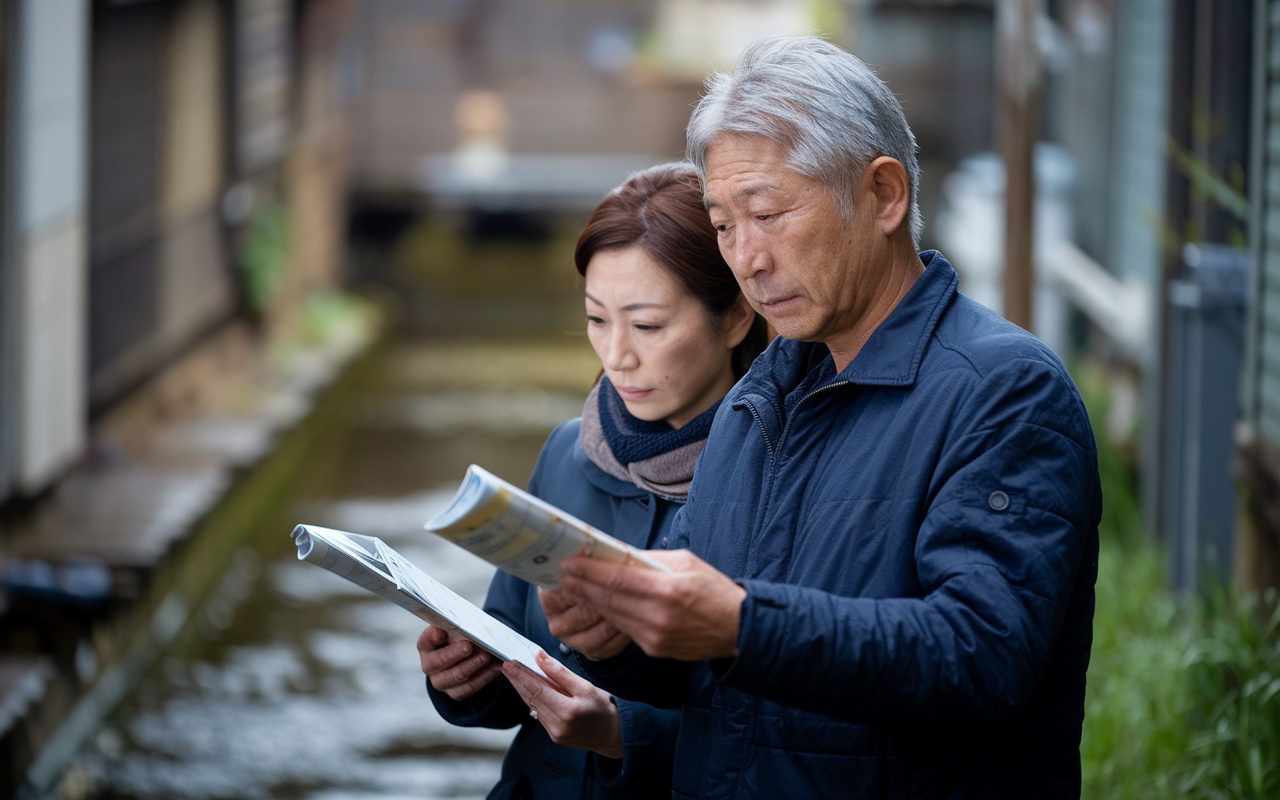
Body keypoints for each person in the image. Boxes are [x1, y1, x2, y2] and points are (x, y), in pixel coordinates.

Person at [541, 35, 1102, 800]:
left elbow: (981, 655)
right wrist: (618, 640)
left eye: (769, 213)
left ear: (884, 195)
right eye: (724, 224)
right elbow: (712, 678)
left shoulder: (1005, 391)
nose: (747, 258)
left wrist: (744, 624)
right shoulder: (757, 399)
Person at [416, 162, 768, 800]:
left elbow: (791, 738)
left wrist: (620, 734)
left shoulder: (782, 479)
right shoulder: (566, 451)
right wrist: (466, 676)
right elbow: (513, 643)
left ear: (737, 318)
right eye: (597, 319)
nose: (616, 355)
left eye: (647, 325)